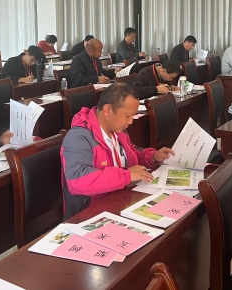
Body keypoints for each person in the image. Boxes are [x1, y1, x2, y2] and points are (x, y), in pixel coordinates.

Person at [61, 83, 175, 217]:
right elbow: (77, 180)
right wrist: (126, 175)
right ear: (107, 110)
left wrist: (153, 156)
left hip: (119, 201)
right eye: (127, 116)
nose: (131, 121)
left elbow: (131, 153)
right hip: (88, 214)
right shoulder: (79, 138)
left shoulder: (117, 131)